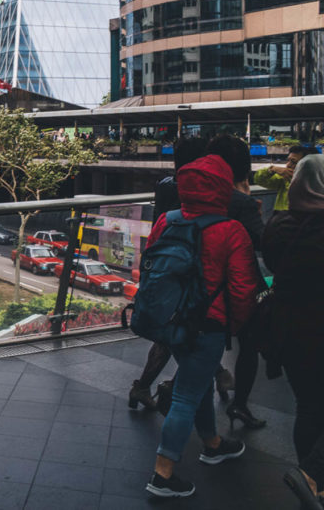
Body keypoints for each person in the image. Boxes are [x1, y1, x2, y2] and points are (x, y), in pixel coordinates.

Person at [145, 154, 259, 498]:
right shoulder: (231, 230)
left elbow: (149, 263)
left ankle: (212, 444)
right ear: (224, 188)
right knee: (185, 394)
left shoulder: (168, 220)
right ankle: (163, 475)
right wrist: (235, 326)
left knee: (197, 382)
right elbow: (242, 288)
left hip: (170, 321)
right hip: (208, 325)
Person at [132, 136, 235, 408]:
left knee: (171, 335)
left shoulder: (165, 185)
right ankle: (179, 387)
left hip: (164, 267)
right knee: (193, 336)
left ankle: (144, 387)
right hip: (194, 272)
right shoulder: (206, 193)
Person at [263, 154, 324, 510]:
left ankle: (312, 489)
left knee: (310, 406)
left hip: (287, 328)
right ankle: (310, 476)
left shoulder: (278, 225)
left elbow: (271, 264)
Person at [207, 134, 268, 428]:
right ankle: (240, 405)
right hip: (241, 286)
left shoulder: (200, 195)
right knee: (250, 344)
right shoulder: (241, 203)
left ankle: (207, 383)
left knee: (206, 341)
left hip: (207, 284)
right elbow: (262, 242)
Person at [254, 144, 314, 212]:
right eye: (288, 160)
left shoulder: (315, 185)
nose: (288, 165)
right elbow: (259, 179)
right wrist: (271, 169)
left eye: (293, 162)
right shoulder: (284, 178)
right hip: (282, 218)